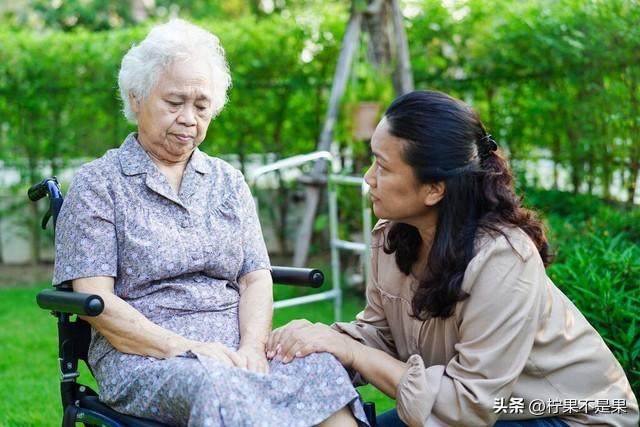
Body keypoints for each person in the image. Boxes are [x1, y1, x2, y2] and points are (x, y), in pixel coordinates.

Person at [53, 19, 369, 427]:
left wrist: (254, 348)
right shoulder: (100, 183)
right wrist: (185, 347)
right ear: (136, 98)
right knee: (218, 385)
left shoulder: (227, 181)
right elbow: (99, 303)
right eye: (174, 102)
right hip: (144, 355)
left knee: (319, 367)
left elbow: (255, 276)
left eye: (201, 106)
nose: (189, 118)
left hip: (236, 345)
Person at [267, 90, 639, 427]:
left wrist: (351, 352)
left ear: (434, 189)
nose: (368, 178)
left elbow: (469, 405)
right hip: (487, 407)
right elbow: (381, 336)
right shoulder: (393, 235)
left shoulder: (503, 259)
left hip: (567, 414)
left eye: (382, 166)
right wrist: (315, 342)